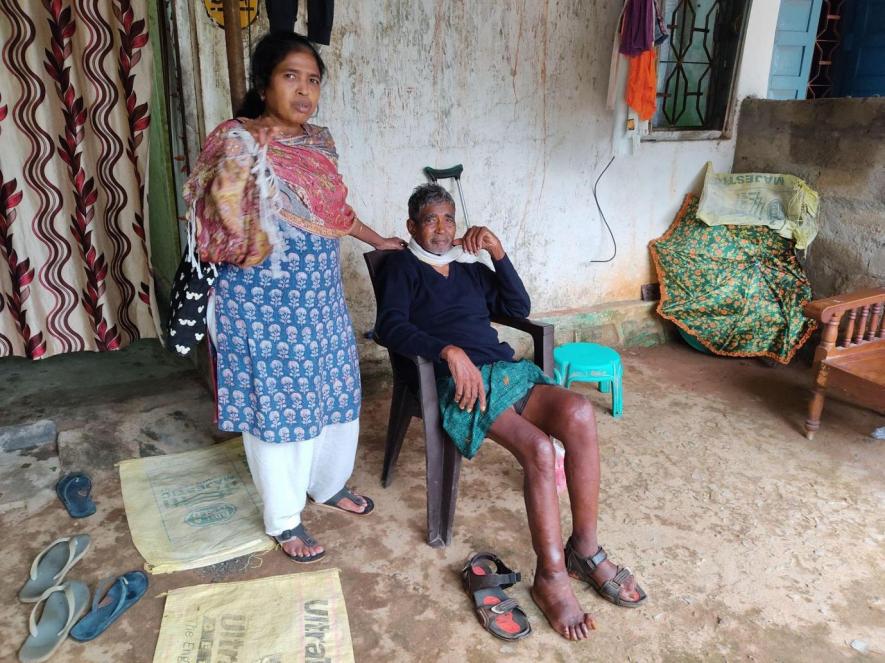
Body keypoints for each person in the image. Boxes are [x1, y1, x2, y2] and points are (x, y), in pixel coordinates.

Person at [375, 183, 647, 640]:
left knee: (579, 410)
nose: (441, 229)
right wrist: (448, 351)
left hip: (505, 372)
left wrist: (498, 253)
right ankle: (552, 575)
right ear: (411, 227)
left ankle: (585, 547)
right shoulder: (402, 268)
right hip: (461, 384)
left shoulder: (469, 271)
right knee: (539, 449)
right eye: (430, 220)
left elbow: (518, 307)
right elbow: (391, 326)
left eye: (447, 219)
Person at [184, 32, 405, 563]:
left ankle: (327, 484)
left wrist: (378, 241)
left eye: (313, 79)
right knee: (278, 404)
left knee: (335, 388)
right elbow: (216, 219)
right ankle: (284, 518)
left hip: (319, 296)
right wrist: (245, 160)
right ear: (264, 85)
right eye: (291, 76)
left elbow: (335, 211)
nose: (305, 90)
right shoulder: (234, 138)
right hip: (257, 299)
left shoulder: (318, 143)